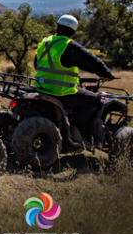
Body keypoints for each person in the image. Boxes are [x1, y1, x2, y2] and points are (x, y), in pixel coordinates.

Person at [33, 14, 114, 143]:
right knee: (95, 100)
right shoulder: (68, 46)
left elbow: (36, 64)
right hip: (61, 92)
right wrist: (106, 73)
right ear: (73, 32)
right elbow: (90, 61)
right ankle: (76, 127)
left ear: (57, 27)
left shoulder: (45, 42)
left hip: (40, 88)